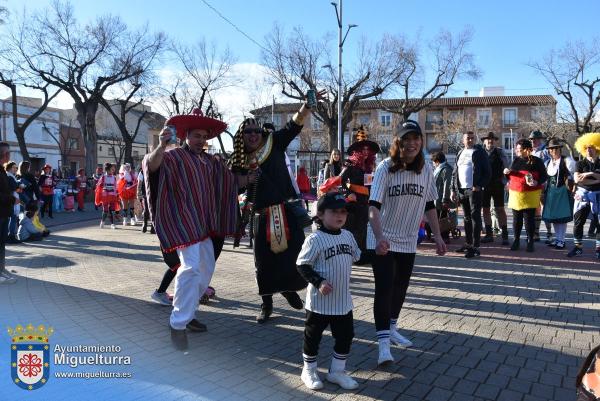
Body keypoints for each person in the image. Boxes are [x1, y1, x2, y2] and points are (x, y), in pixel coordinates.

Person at [143, 108, 241, 351]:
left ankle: (187, 314)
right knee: (190, 268)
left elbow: (231, 183)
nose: (201, 140)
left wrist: (253, 175)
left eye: (204, 136)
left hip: (206, 224)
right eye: (196, 135)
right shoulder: (173, 156)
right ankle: (177, 324)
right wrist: (160, 145)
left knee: (206, 269)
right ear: (186, 136)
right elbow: (151, 166)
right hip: (183, 221)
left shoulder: (211, 162)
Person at [229, 93, 324, 324]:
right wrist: (247, 179)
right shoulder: (239, 160)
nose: (252, 135)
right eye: (247, 132)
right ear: (242, 137)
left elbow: (293, 125)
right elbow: (233, 185)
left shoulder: (274, 143)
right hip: (261, 216)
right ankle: (266, 303)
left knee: (295, 255)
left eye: (255, 130)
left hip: (286, 211)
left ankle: (289, 288)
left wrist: (306, 106)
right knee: (263, 262)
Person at [368, 120, 446, 366]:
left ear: (421, 142)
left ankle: (392, 328)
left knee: (400, 287)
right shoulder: (386, 168)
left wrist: (439, 236)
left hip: (408, 239)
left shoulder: (426, 171)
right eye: (406, 139)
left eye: (416, 138)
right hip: (383, 238)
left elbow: (430, 205)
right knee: (385, 287)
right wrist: (379, 237)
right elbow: (373, 207)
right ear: (398, 142)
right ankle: (382, 346)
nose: (411, 143)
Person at [296, 191, 360, 391]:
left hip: (342, 301)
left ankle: (337, 372)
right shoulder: (315, 239)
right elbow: (302, 265)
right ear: (321, 214)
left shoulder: (348, 236)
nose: (340, 215)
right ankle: (309, 370)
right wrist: (319, 281)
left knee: (345, 336)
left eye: (343, 211)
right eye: (334, 211)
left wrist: (377, 253)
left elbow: (358, 257)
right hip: (319, 302)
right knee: (313, 337)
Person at [340, 126, 380, 264]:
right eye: (362, 149)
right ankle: (354, 255)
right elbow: (340, 181)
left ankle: (362, 254)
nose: (365, 151)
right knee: (355, 229)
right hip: (354, 202)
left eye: (367, 149)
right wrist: (349, 193)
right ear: (357, 150)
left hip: (366, 201)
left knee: (364, 228)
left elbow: (369, 183)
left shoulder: (369, 166)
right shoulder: (349, 163)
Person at [451, 131, 491, 258]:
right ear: (463, 140)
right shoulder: (460, 153)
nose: (470, 140)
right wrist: (453, 189)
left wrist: (479, 185)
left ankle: (475, 246)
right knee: (467, 218)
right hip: (462, 190)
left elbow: (488, 172)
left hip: (474, 190)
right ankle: (468, 243)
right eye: (467, 138)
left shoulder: (479, 152)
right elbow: (455, 172)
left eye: (472, 138)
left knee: (475, 217)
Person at [504, 139, 547, 252]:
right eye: (517, 149)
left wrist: (537, 182)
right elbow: (510, 177)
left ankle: (530, 241)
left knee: (529, 220)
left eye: (520, 149)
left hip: (530, 195)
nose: (518, 151)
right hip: (516, 194)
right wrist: (507, 174)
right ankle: (516, 240)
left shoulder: (537, 161)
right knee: (516, 219)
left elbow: (544, 176)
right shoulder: (515, 160)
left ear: (528, 149)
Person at [568, 132, 600, 259]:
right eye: (586, 148)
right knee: (578, 222)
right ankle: (578, 247)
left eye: (591, 147)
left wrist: (588, 174)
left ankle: (598, 249)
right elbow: (577, 180)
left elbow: (584, 178)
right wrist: (597, 179)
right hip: (582, 196)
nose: (588, 150)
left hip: (598, 196)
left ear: (597, 148)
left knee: (599, 224)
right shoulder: (580, 164)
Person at [542, 139, 576, 250]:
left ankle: (562, 240)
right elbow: (545, 179)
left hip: (562, 192)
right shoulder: (547, 163)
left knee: (562, 217)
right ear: (549, 151)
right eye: (552, 149)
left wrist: (573, 186)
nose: (554, 150)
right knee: (555, 218)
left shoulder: (567, 161)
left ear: (560, 149)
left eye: (556, 148)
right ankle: (557, 239)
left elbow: (574, 175)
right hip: (551, 193)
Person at [480, 132, 510, 245]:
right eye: (488, 139)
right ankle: (488, 234)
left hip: (497, 185)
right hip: (484, 186)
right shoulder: (480, 153)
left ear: (494, 141)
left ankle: (505, 235)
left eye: (492, 139)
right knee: (486, 209)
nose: (490, 141)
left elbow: (506, 166)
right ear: (484, 141)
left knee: (500, 209)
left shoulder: (500, 152)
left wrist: (505, 181)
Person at [0, 142, 18, 284]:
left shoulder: (2, 171)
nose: (9, 155)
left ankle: (2, 269)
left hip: (4, 212)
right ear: (5, 155)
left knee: (2, 243)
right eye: (8, 153)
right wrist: (12, 199)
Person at [530, 130, 551, 242]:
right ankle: (536, 233)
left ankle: (549, 232)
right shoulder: (531, 152)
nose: (533, 141)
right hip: (534, 183)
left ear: (540, 139)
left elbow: (552, 163)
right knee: (536, 208)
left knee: (545, 208)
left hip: (544, 183)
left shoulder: (545, 151)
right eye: (532, 139)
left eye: (535, 139)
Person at [432, 151, 453, 243]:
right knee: (438, 218)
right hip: (437, 198)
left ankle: (445, 237)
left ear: (437, 161)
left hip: (442, 199)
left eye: (433, 162)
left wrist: (445, 199)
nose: (433, 164)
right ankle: (440, 236)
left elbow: (447, 185)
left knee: (443, 218)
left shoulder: (446, 169)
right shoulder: (441, 168)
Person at [95, 162, 120, 229]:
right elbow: (99, 186)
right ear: (108, 170)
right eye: (112, 169)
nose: (113, 171)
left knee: (112, 210)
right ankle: (102, 222)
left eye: (113, 169)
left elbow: (116, 186)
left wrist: (117, 194)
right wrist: (100, 186)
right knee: (105, 211)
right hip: (105, 196)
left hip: (112, 195)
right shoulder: (103, 177)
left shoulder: (114, 178)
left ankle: (112, 224)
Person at [4, 161, 20, 243]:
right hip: (11, 200)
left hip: (11, 199)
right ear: (9, 168)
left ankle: (10, 235)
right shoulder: (9, 176)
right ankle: (11, 236)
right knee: (13, 218)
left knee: (12, 218)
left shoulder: (11, 176)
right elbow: (14, 188)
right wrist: (20, 188)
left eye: (16, 168)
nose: (15, 169)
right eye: (14, 167)